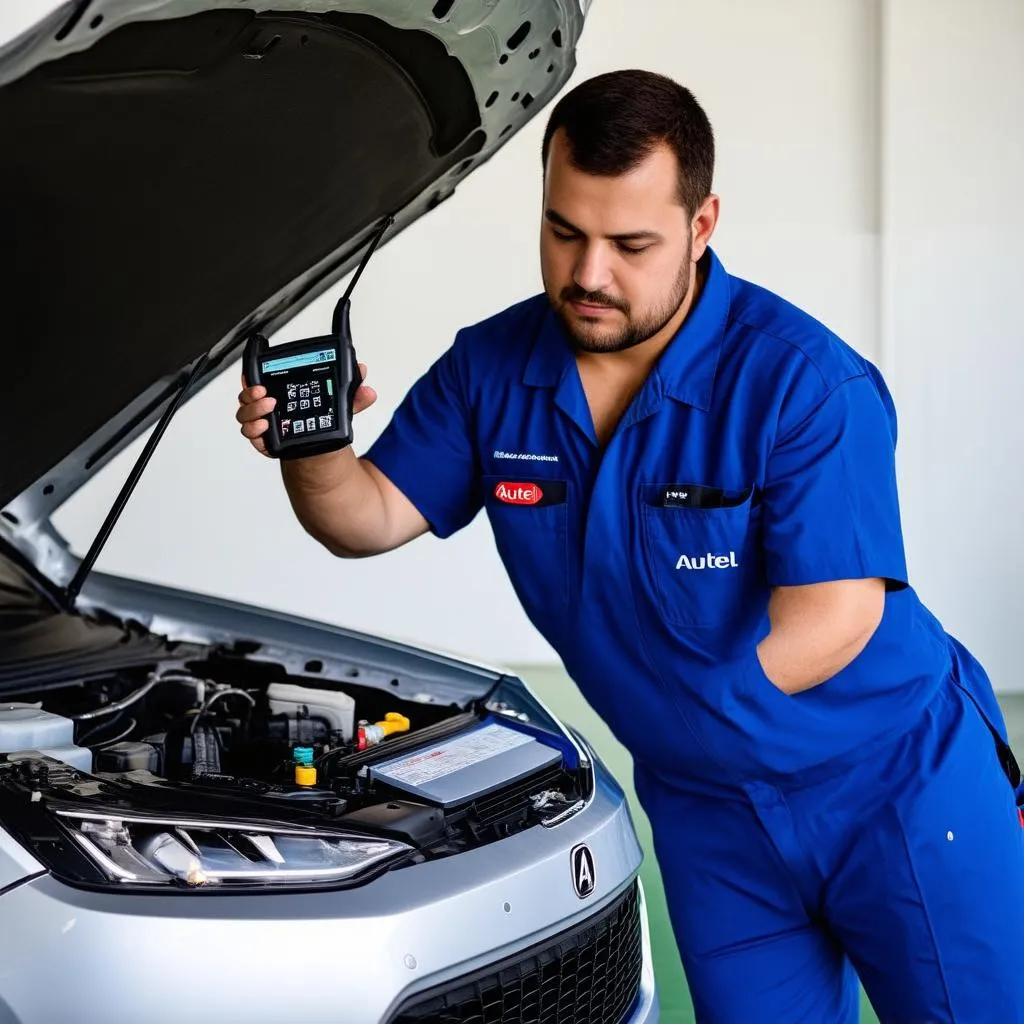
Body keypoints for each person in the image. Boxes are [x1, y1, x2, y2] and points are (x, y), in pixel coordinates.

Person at [237, 69, 1024, 1023]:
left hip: (899, 789)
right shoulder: (492, 370)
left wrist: (658, 723)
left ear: (702, 226)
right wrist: (313, 449)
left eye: (631, 243)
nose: (588, 274)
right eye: (564, 232)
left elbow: (833, 618)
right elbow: (361, 519)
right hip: (710, 818)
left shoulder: (806, 384)